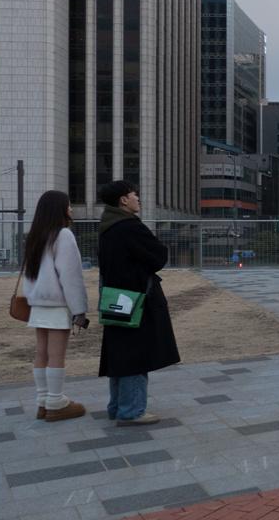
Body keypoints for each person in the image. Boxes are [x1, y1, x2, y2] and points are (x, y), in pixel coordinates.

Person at [97, 181, 180, 426]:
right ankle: (132, 410)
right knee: (136, 352)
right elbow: (158, 256)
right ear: (124, 200)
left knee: (120, 351)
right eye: (135, 195)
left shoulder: (107, 226)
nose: (138, 199)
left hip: (116, 297)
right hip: (137, 298)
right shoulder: (130, 227)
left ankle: (117, 406)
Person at [21, 190, 90, 422]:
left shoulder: (35, 236)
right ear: (59, 209)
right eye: (68, 205)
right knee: (56, 355)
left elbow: (29, 276)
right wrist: (79, 309)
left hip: (38, 303)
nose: (71, 209)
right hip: (57, 303)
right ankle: (56, 401)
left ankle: (43, 401)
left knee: (41, 352)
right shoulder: (63, 235)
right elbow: (70, 276)